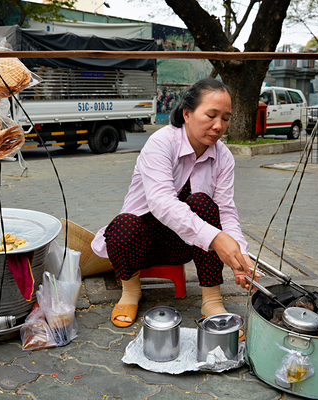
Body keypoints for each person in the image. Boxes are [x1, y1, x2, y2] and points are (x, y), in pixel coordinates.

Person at [91, 78, 255, 328]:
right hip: (141, 242)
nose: (218, 126)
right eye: (211, 115)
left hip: (183, 246)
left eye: (225, 118)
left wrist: (239, 254)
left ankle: (211, 298)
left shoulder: (223, 157)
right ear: (187, 113)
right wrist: (216, 239)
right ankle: (131, 290)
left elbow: (226, 212)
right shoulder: (161, 143)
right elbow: (161, 203)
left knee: (203, 204)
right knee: (123, 226)